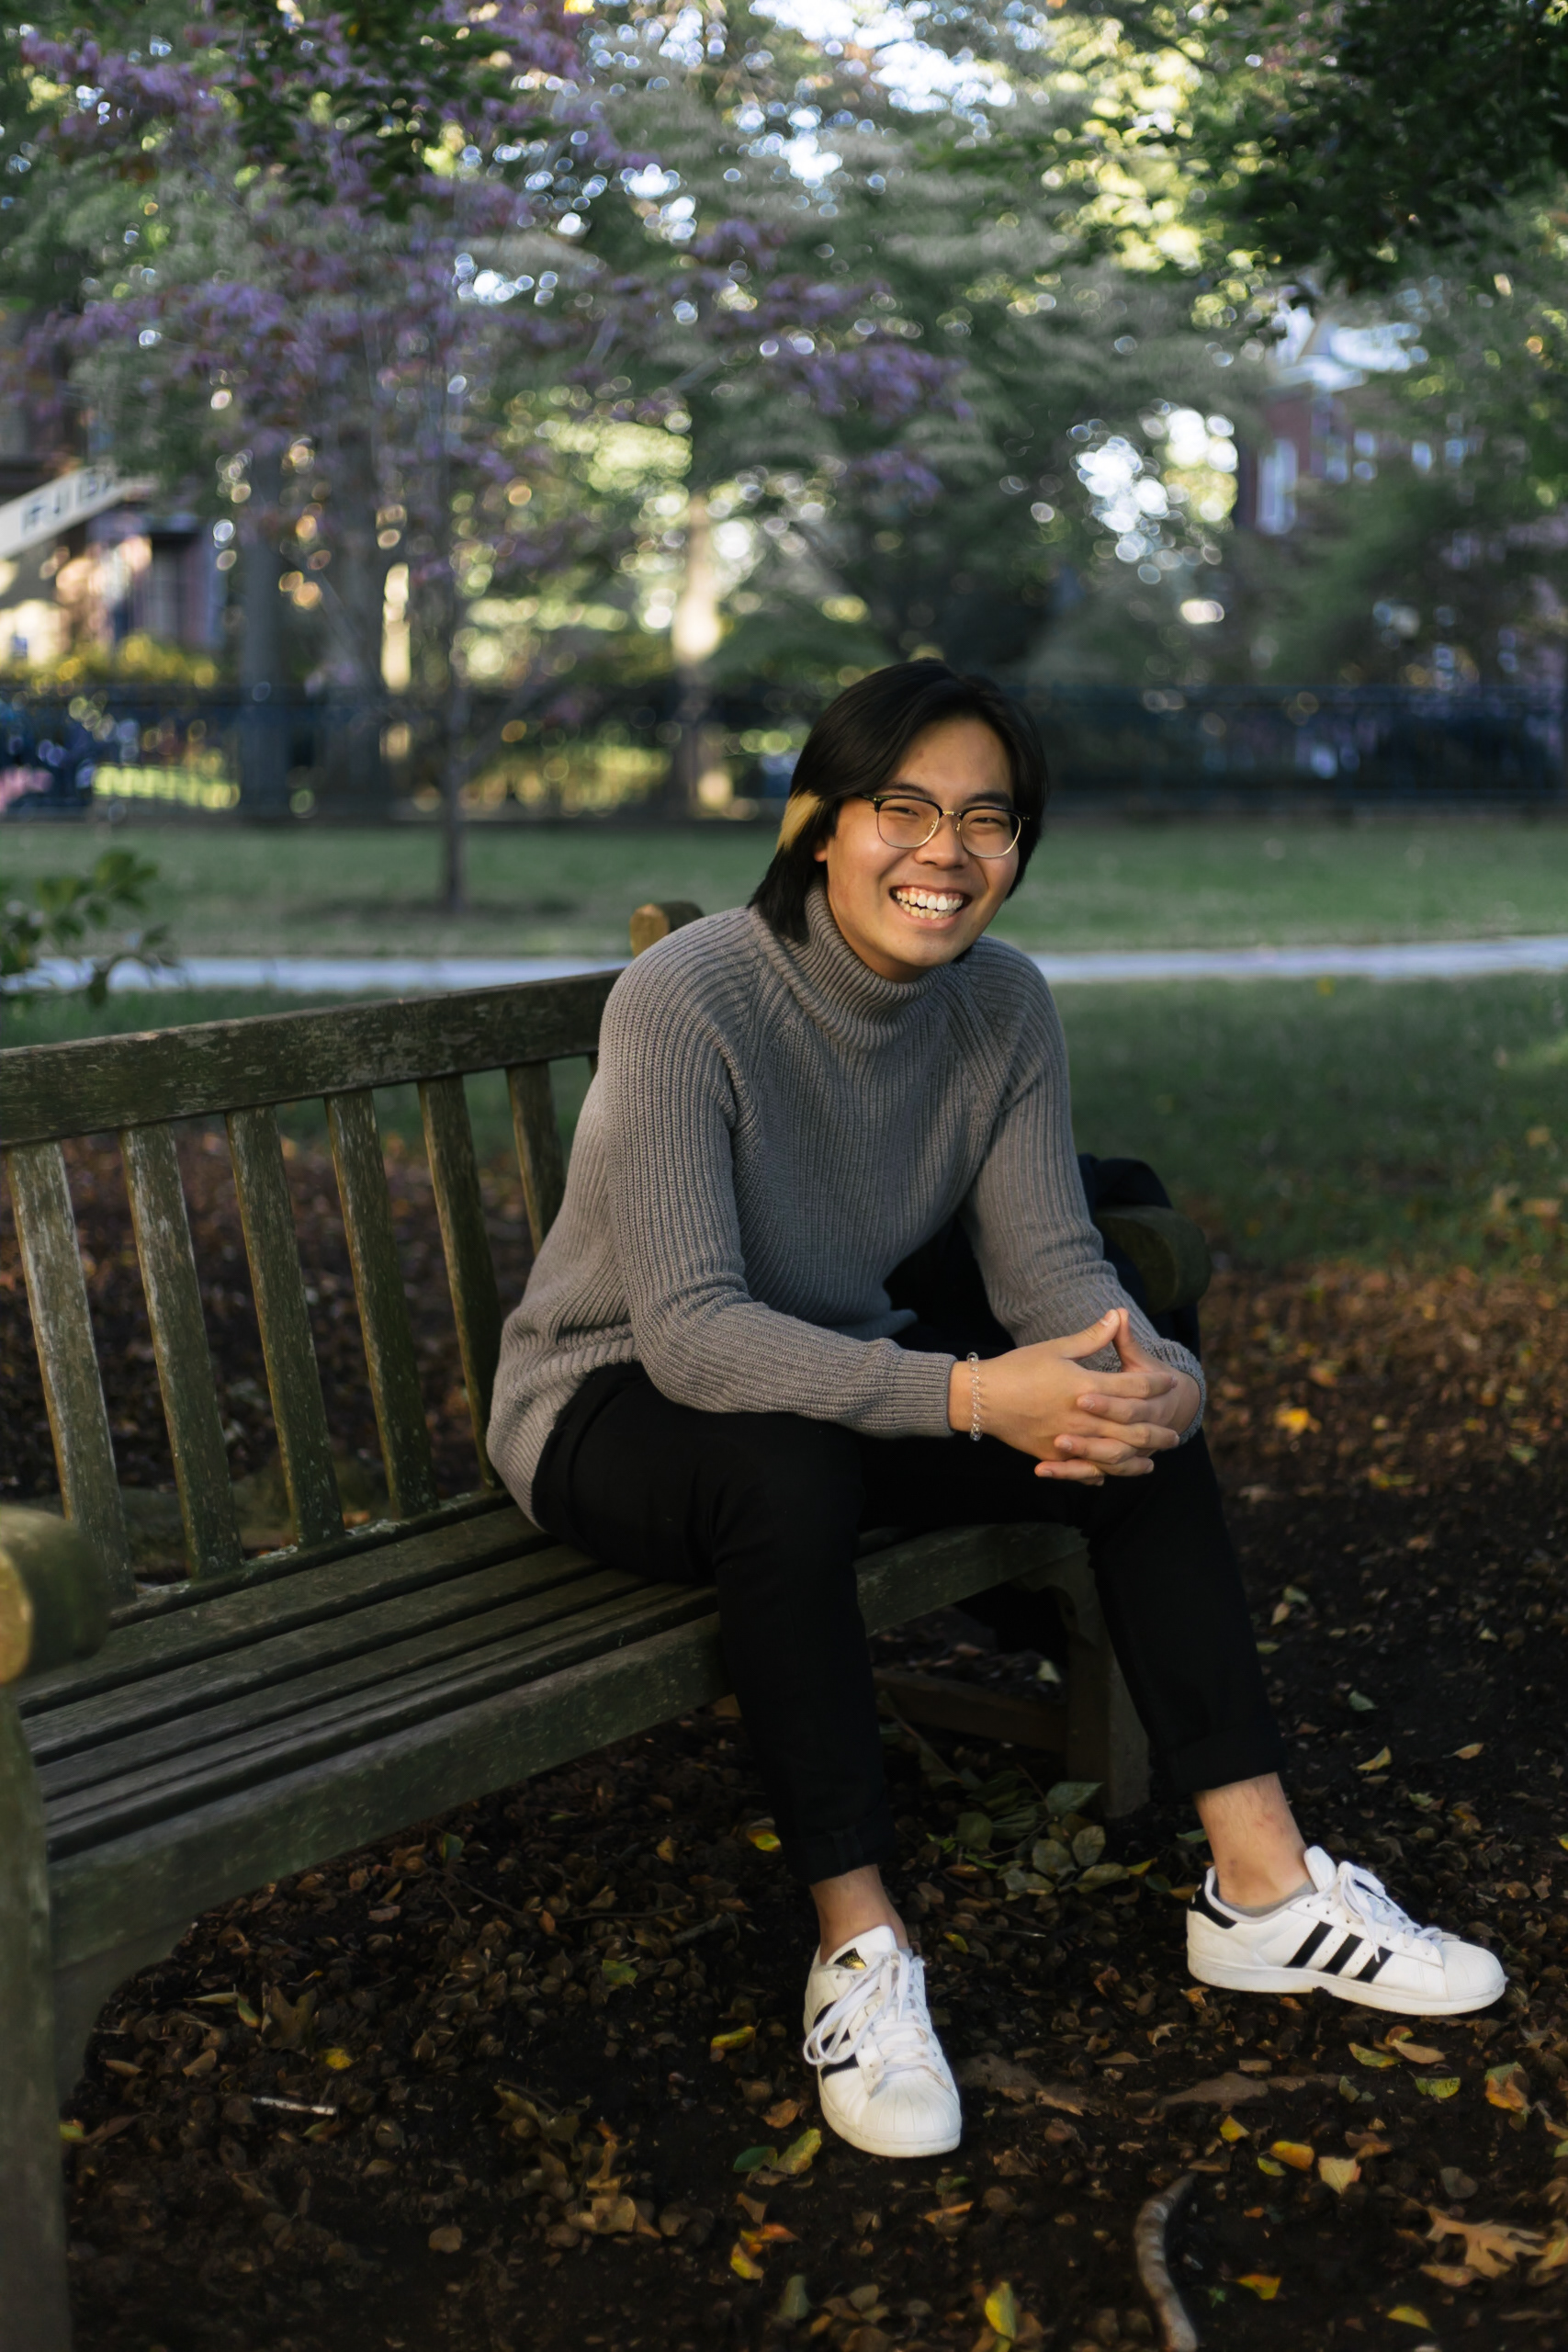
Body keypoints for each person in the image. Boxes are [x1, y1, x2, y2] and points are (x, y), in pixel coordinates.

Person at [488, 660, 1504, 2163]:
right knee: (784, 1474)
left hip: (835, 1382)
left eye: (988, 819)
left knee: (1114, 1426)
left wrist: (1160, 1382)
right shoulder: (690, 996)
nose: (946, 853)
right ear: (817, 824)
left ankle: (1264, 1890)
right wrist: (969, 1396)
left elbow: (1058, 1281)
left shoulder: (1003, 1007)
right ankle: (858, 1949)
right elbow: (693, 1336)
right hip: (612, 1404)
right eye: (903, 809)